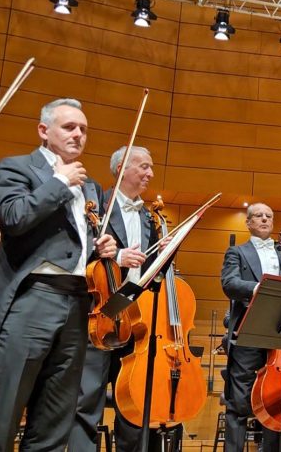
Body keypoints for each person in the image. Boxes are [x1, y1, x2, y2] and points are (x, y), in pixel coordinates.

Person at [0, 98, 118, 451]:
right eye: (69, 127)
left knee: (55, 419)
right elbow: (14, 218)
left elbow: (78, 241)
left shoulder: (90, 186)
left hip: (78, 301)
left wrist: (101, 246)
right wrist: (59, 182)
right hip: (32, 297)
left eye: (83, 129)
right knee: (4, 413)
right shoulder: (15, 168)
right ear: (44, 131)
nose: (78, 134)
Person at [69, 145, 160, 451]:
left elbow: (150, 269)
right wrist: (117, 256)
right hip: (100, 317)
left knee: (132, 405)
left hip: (136, 321)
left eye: (151, 167)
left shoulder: (148, 217)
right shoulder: (97, 205)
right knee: (86, 402)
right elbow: (77, 252)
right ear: (121, 168)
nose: (150, 173)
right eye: (143, 166)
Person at [219, 202, 281, 452]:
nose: (265, 219)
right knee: (239, 403)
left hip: (278, 334)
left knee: (275, 402)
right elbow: (229, 283)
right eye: (258, 215)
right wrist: (257, 288)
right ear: (248, 222)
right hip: (247, 332)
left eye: (269, 216)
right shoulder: (237, 252)